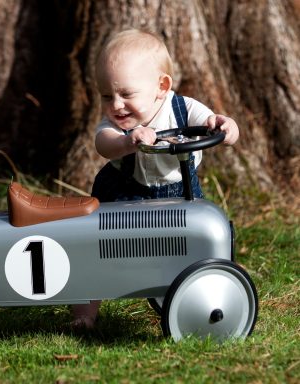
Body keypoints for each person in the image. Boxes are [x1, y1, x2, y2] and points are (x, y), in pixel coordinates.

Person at [71, 28, 239, 329]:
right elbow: (103, 144)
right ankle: (85, 314)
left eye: (126, 94)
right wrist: (127, 141)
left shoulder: (182, 108)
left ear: (161, 86)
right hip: (124, 191)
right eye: (107, 96)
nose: (116, 105)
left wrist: (224, 126)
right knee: (94, 246)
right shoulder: (115, 124)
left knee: (197, 241)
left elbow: (215, 125)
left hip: (180, 191)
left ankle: (202, 297)